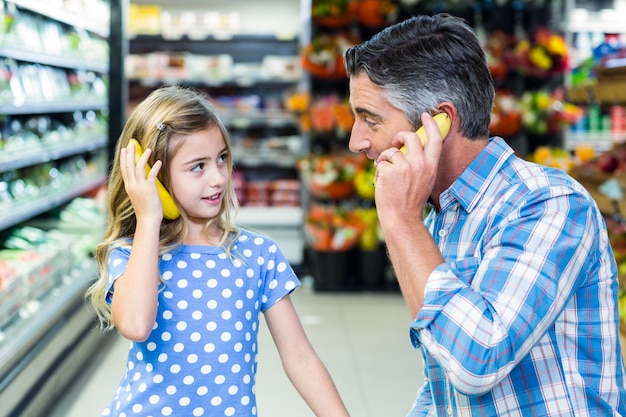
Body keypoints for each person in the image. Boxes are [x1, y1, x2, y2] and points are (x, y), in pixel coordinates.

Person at [344, 13, 626, 416]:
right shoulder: (442, 217)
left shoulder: (547, 204)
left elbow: (476, 361)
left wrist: (401, 221)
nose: (357, 141)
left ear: (440, 122)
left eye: (370, 119)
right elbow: (443, 379)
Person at [86, 85, 350, 417]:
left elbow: (299, 356)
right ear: (151, 174)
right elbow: (136, 325)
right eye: (198, 166)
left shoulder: (257, 254)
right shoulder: (132, 253)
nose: (218, 178)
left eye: (222, 158)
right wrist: (149, 218)